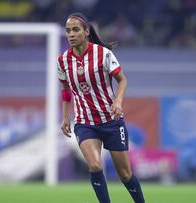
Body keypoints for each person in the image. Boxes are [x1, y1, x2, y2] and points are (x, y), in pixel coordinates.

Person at [57, 12, 145, 203]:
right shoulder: (62, 61)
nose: (71, 34)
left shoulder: (103, 54)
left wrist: (118, 101)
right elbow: (65, 90)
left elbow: (122, 80)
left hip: (111, 121)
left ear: (86, 32)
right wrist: (65, 117)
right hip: (84, 122)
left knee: (125, 174)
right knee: (95, 166)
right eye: (68, 31)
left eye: (75, 30)